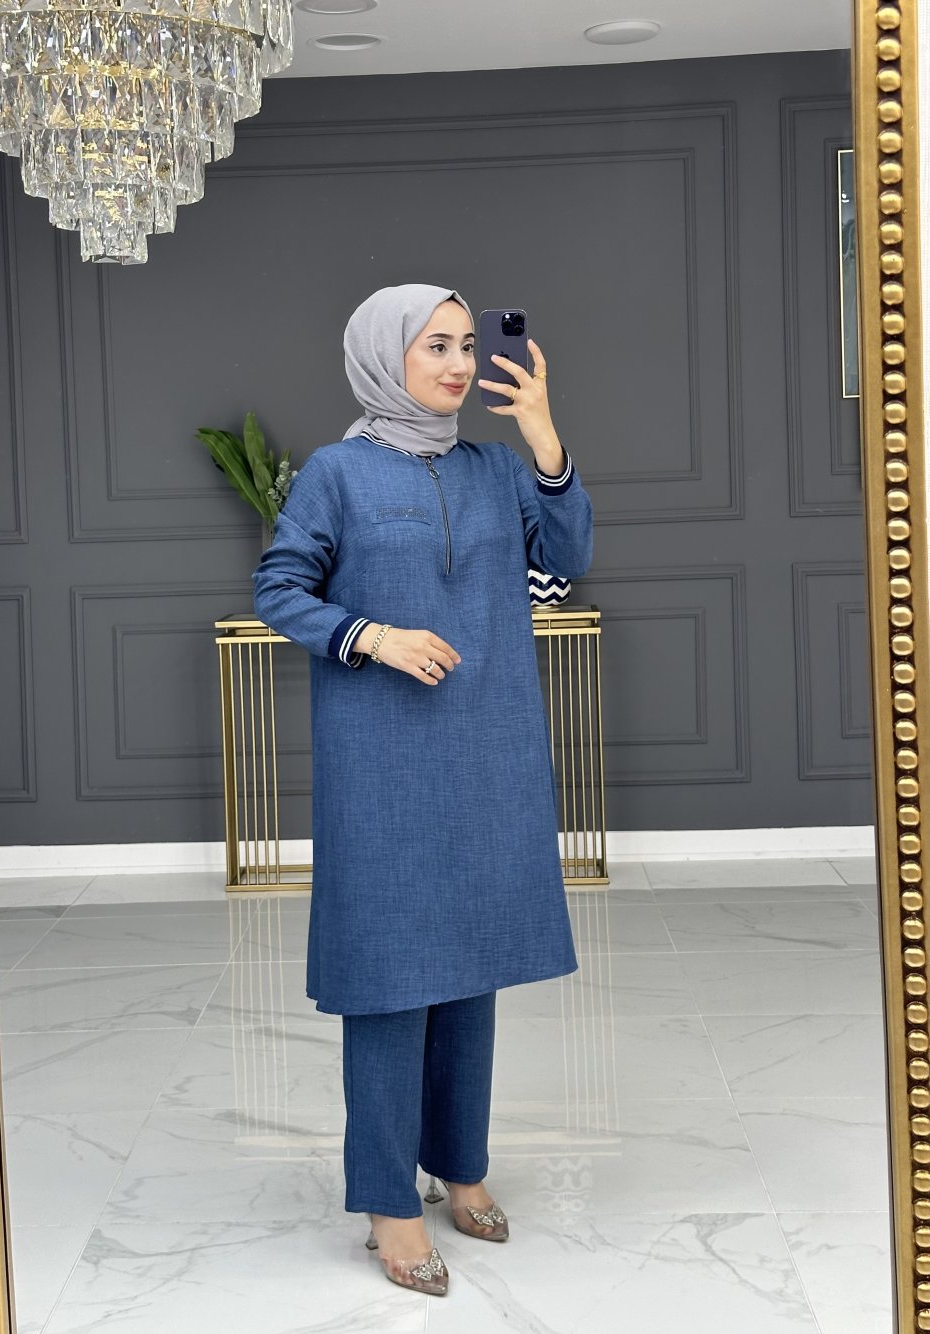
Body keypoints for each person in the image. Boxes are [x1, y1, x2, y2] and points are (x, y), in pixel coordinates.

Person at [251, 283, 593, 1296]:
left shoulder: (495, 469)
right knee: (390, 978)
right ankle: (387, 1201)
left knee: (470, 967)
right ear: (382, 355)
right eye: (433, 345)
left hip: (486, 747)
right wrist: (375, 635)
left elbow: (565, 563)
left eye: (464, 345)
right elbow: (279, 588)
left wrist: (542, 436)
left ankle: (460, 1164)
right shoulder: (337, 473)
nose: (456, 363)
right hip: (382, 760)